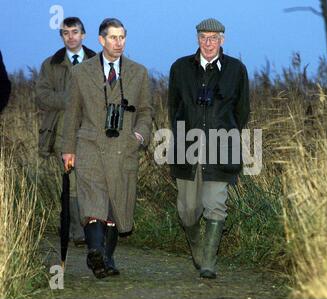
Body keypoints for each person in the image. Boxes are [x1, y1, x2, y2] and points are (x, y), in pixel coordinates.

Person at [61, 18, 153, 279]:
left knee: (115, 205)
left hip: (124, 148)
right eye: (113, 37)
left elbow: (146, 111)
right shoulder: (82, 73)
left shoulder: (138, 72)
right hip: (89, 145)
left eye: (122, 37)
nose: (118, 42)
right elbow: (72, 114)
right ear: (101, 41)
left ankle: (106, 257)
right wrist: (68, 149)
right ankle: (95, 250)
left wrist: (140, 135)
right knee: (93, 202)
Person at [168, 18, 250, 279]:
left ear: (222, 40)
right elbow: (174, 109)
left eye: (214, 37)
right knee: (187, 212)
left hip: (221, 148)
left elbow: (242, 111)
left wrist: (226, 135)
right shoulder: (180, 68)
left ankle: (209, 262)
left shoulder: (236, 70)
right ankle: (198, 249)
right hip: (187, 147)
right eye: (204, 37)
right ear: (197, 39)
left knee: (216, 204)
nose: (208, 42)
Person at [35, 17, 96, 247]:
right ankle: (77, 231)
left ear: (84, 35)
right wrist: (70, 100)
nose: (71, 36)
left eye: (75, 32)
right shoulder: (50, 64)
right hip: (61, 130)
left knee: (88, 182)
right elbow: (42, 96)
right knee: (69, 181)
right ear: (61, 36)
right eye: (66, 33)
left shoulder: (97, 61)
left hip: (91, 130)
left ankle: (86, 227)